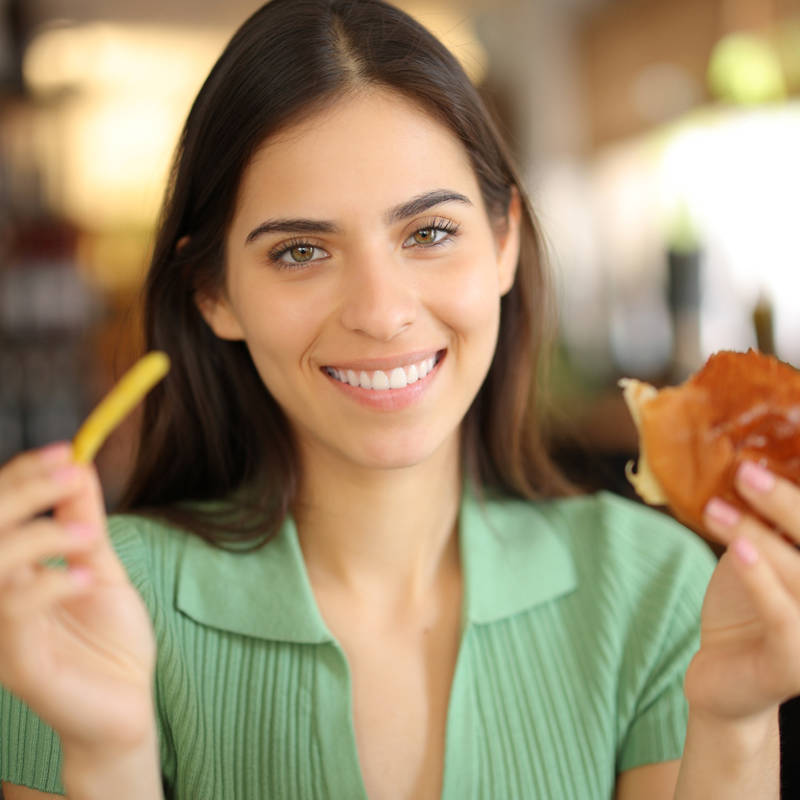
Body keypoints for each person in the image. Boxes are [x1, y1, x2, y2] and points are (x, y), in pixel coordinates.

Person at [1, 1, 799, 797]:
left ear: (504, 243)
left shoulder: (650, 586)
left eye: (428, 233)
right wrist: (107, 758)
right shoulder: (85, 606)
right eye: (301, 251)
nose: (381, 313)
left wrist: (734, 724)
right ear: (214, 292)